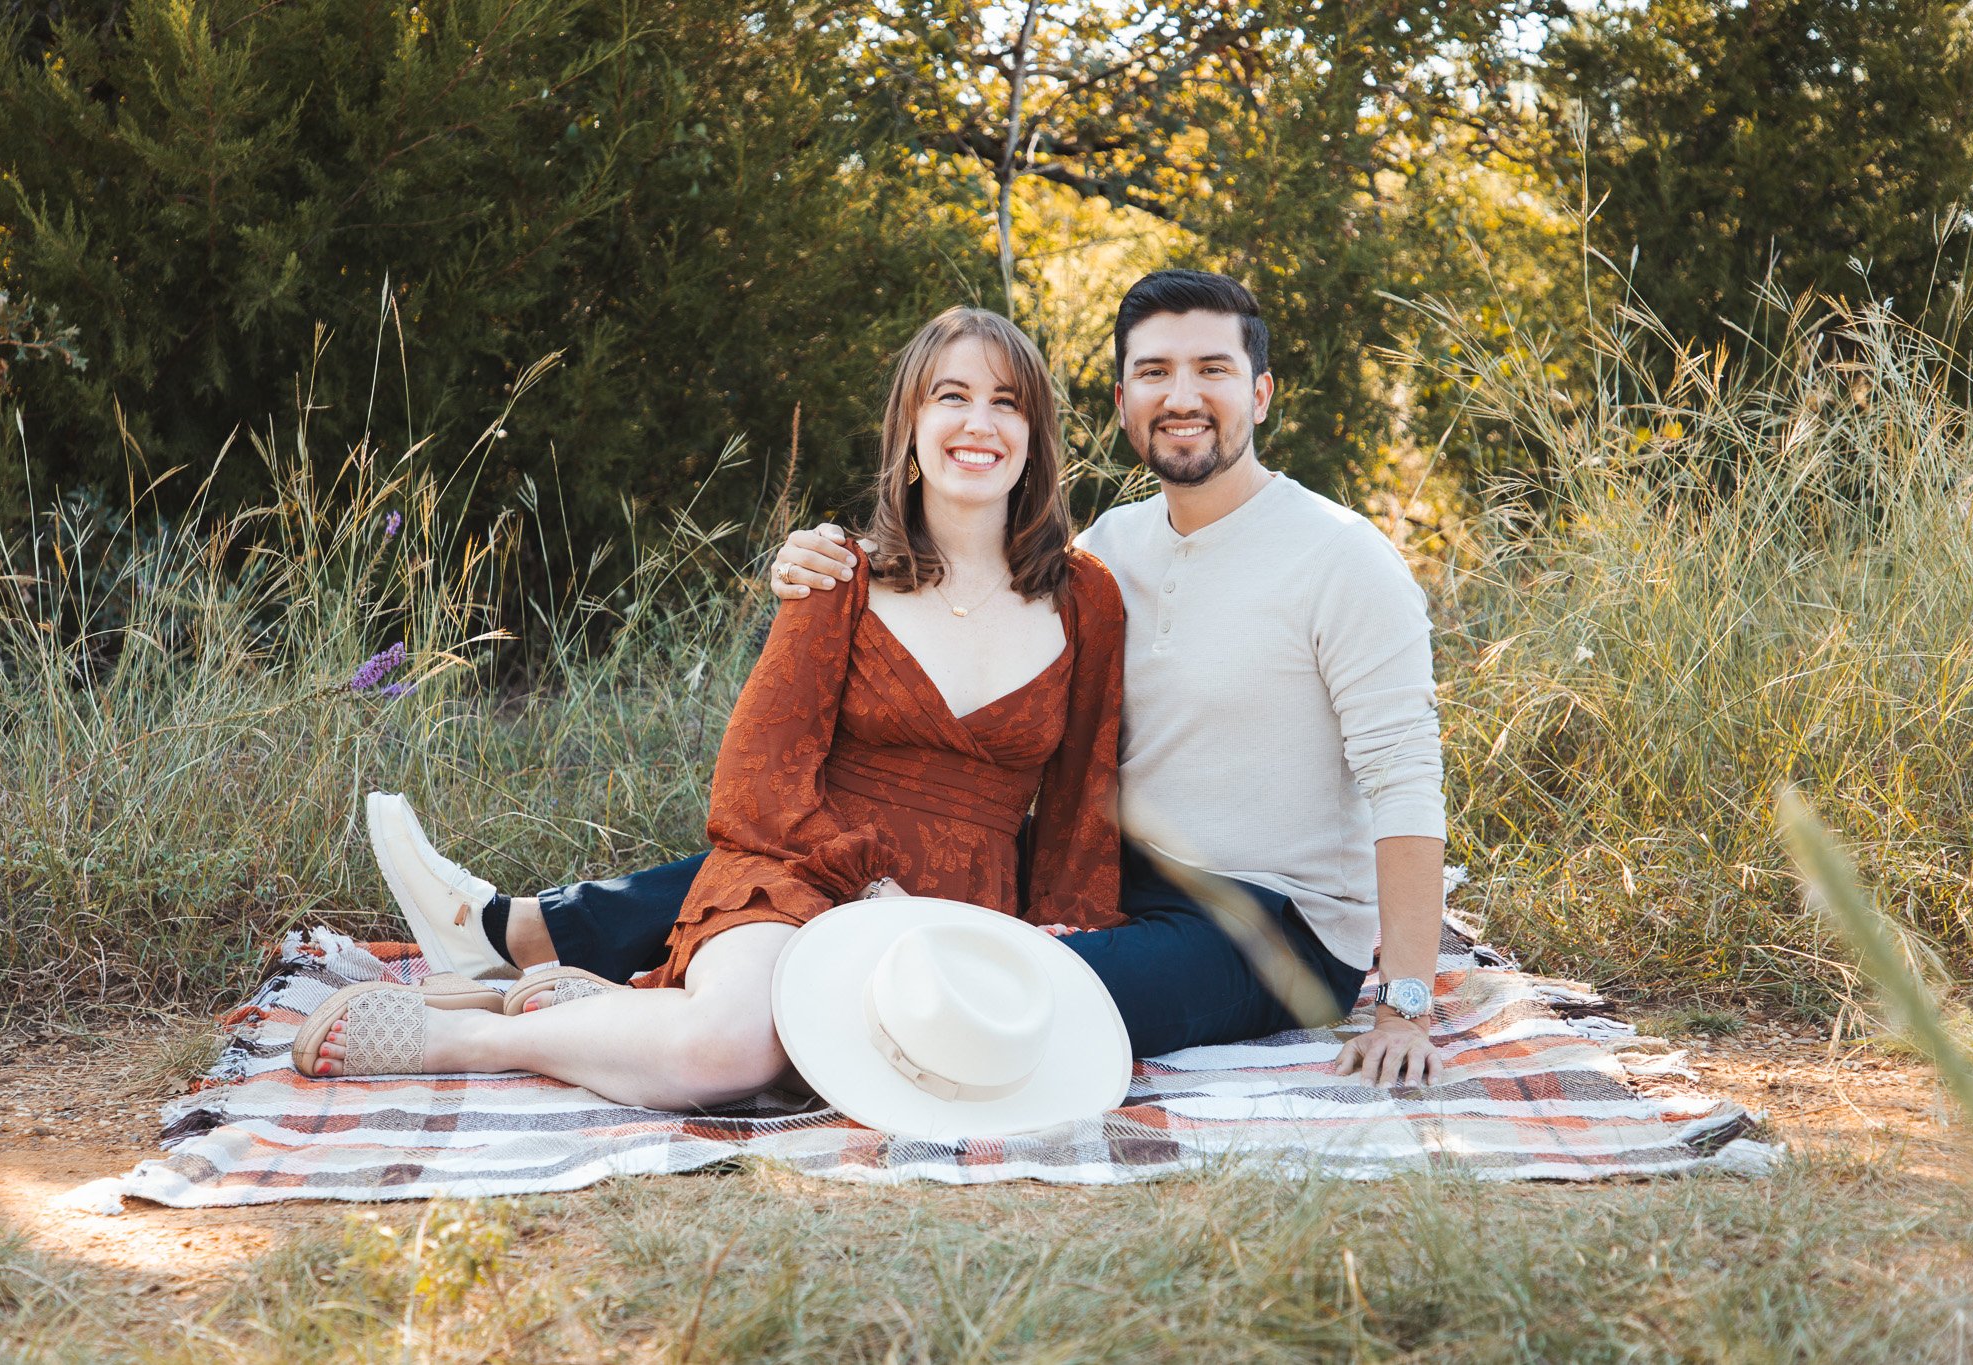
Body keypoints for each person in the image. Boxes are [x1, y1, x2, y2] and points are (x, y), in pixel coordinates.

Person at [379, 270, 1448, 1088]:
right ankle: (516, 929)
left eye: (1213, 370)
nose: (1183, 397)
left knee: (1007, 1005)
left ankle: (587, 986)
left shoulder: (1339, 556)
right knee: (893, 833)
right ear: (1120, 400)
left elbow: (1404, 781)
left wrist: (1400, 999)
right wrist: (806, 564)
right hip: (1122, 877)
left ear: (1260, 390)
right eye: (1155, 374)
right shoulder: (1112, 552)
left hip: (1272, 919)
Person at [292, 306, 1129, 1108]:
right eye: (952, 396)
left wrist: (1069, 941)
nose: (979, 423)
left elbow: (1080, 808)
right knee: (735, 1050)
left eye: (1006, 403)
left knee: (850, 1068)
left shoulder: (1085, 599)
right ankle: (465, 1038)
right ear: (910, 426)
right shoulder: (839, 574)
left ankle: (582, 1004)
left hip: (957, 907)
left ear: (1036, 439)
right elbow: (753, 783)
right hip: (798, 875)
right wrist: (868, 891)